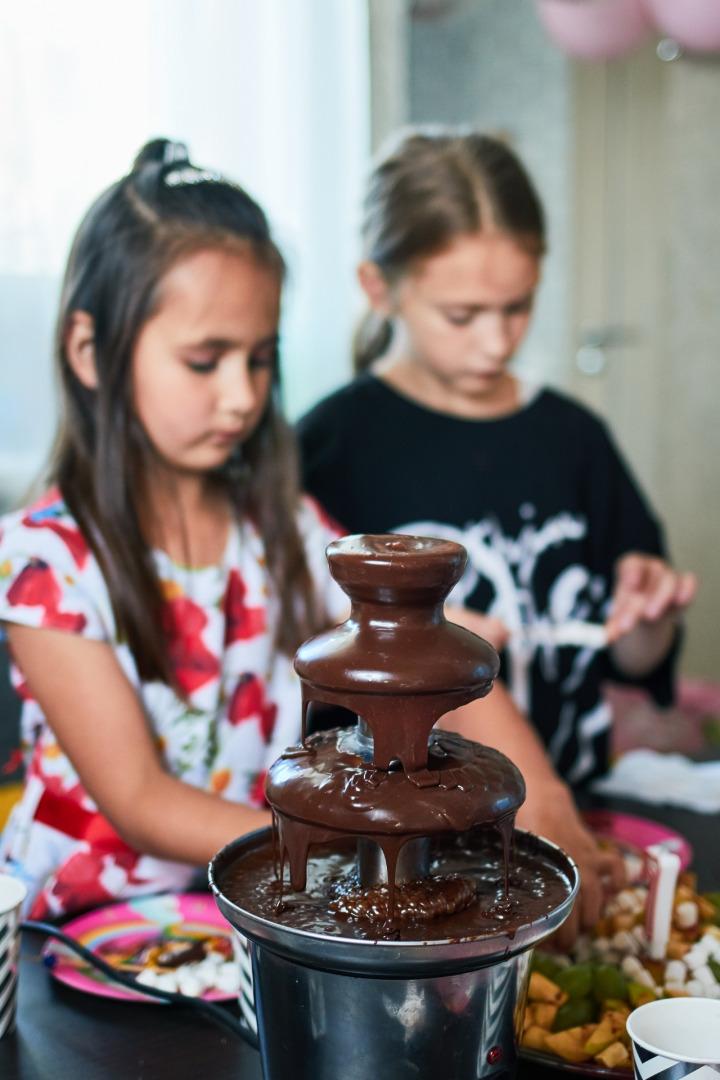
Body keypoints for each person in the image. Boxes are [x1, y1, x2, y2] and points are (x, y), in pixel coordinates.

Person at [297, 129, 697, 943]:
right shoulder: (331, 448)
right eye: (462, 314)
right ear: (380, 286)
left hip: (572, 808)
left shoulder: (576, 440)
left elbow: (634, 661)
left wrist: (646, 625)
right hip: (405, 848)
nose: (495, 340)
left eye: (517, 307)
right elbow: (318, 680)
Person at [0, 139, 345, 919]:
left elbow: (407, 636)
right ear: (91, 351)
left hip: (237, 924)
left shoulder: (285, 529)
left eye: (260, 360)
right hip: (76, 947)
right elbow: (138, 800)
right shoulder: (45, 565)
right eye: (204, 360)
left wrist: (544, 795)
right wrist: (346, 848)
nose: (241, 398)